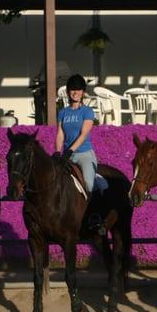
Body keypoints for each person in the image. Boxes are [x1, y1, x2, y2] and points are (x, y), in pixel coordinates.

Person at [54, 74, 102, 228]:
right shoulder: (63, 112)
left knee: (88, 183)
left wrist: (70, 150)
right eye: (72, 90)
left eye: (78, 89)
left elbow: (84, 134)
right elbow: (60, 134)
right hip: (67, 155)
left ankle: (94, 214)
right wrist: (57, 151)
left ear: (83, 92)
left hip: (84, 154)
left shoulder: (87, 111)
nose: (75, 92)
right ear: (68, 92)